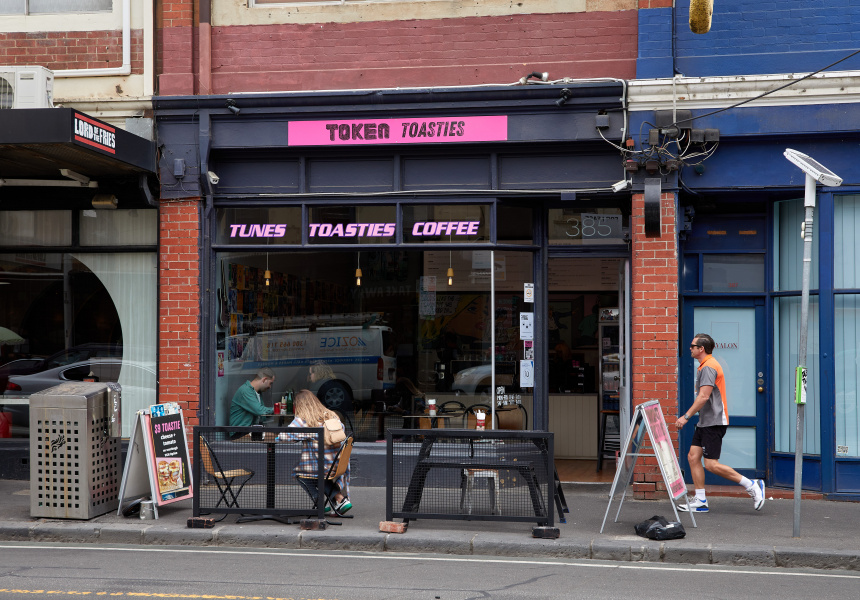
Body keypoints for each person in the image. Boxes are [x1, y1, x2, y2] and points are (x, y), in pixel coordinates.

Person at [674, 333, 765, 513]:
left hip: (713, 422)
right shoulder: (706, 365)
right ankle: (700, 500)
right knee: (693, 457)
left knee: (711, 465)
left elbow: (703, 396)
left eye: (693, 346)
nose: (690, 348)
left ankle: (752, 484)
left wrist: (685, 417)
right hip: (705, 421)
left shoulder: (708, 367)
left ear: (701, 349)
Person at [280, 389, 352, 515]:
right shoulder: (332, 415)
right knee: (316, 472)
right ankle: (340, 500)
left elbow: (284, 436)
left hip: (322, 467)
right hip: (339, 464)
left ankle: (322, 502)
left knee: (299, 473)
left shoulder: (304, 420)